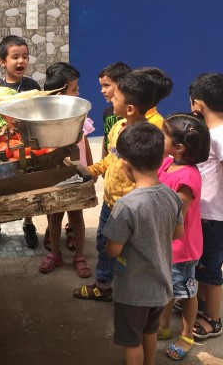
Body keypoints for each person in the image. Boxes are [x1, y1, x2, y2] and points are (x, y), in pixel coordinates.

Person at [104, 122, 184, 365]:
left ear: (126, 164)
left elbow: (113, 249)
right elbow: (177, 233)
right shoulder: (171, 196)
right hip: (161, 287)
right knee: (150, 332)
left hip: (133, 292)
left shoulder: (127, 205)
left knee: (131, 342)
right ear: (160, 158)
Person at [73, 71, 157, 302]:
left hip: (133, 207)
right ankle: (103, 285)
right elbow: (112, 157)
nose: (110, 100)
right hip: (110, 202)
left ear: (130, 108)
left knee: (131, 252)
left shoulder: (149, 137)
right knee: (104, 244)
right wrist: (91, 171)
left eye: (115, 98)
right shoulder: (117, 126)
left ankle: (132, 292)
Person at [157, 113, 210, 361]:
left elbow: (178, 214)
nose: (160, 138)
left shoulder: (187, 176)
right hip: (165, 243)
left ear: (179, 148)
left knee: (186, 292)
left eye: (164, 135)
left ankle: (187, 335)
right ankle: (164, 323)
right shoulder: (168, 163)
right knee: (167, 285)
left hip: (181, 248)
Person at [38, 62, 93, 279]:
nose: (78, 93)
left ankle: (79, 256)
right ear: (60, 93)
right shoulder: (44, 116)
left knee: (76, 215)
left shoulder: (79, 114)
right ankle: (55, 253)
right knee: (54, 215)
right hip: (53, 172)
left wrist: (90, 167)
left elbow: (85, 142)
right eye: (74, 89)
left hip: (76, 173)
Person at [0, 35, 41, 250]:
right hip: (2, 146)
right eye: (15, 57)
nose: (21, 61)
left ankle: (28, 223)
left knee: (26, 183)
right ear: (2, 62)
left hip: (26, 144)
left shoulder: (32, 85)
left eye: (25, 57)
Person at [190, 73, 223, 341]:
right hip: (206, 213)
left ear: (197, 105)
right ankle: (199, 303)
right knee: (202, 263)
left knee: (211, 268)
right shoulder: (212, 134)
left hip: (215, 215)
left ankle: (213, 317)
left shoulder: (218, 136)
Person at [98, 62, 131, 159]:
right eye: (101, 86)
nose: (102, 90)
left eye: (106, 85)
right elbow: (106, 140)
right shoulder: (107, 112)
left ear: (121, 85)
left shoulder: (130, 113)